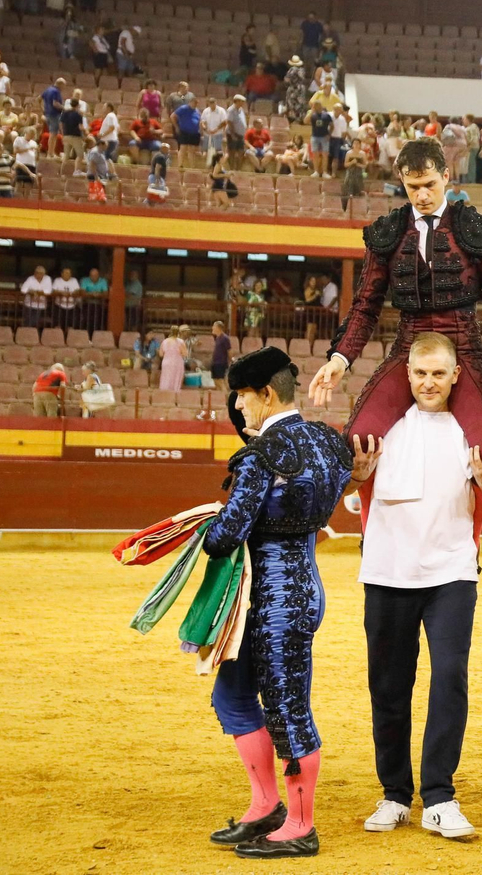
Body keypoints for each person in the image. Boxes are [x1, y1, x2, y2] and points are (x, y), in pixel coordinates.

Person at [354, 333, 482, 840]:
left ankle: (440, 796)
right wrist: (353, 477)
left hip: (451, 573)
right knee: (388, 686)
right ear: (407, 376)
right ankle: (394, 794)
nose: (428, 382)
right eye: (420, 373)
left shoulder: (473, 431)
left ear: (454, 377)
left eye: (438, 374)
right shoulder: (384, 431)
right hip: (386, 572)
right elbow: (349, 494)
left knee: (450, 678)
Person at [199, 347, 355, 858]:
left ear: (265, 394)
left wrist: (203, 526)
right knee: (235, 694)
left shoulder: (260, 454)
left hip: (270, 602)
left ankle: (302, 824)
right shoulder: (330, 444)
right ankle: (266, 805)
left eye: (242, 398)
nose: (239, 408)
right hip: (300, 588)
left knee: (287, 709)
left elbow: (227, 535)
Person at [310, 135, 482, 491]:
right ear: (403, 183)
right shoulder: (389, 232)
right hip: (408, 348)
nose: (422, 195)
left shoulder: (474, 228)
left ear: (445, 177)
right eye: (413, 187)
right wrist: (339, 359)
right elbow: (365, 305)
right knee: (357, 442)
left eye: (429, 185)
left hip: (464, 348)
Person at [211, 321, 232, 388]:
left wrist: (230, 360)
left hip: (221, 362)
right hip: (215, 362)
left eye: (214, 326)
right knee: (216, 380)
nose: (212, 328)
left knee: (221, 380)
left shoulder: (225, 338)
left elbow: (229, 350)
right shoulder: (217, 338)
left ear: (218, 328)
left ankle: (227, 396)